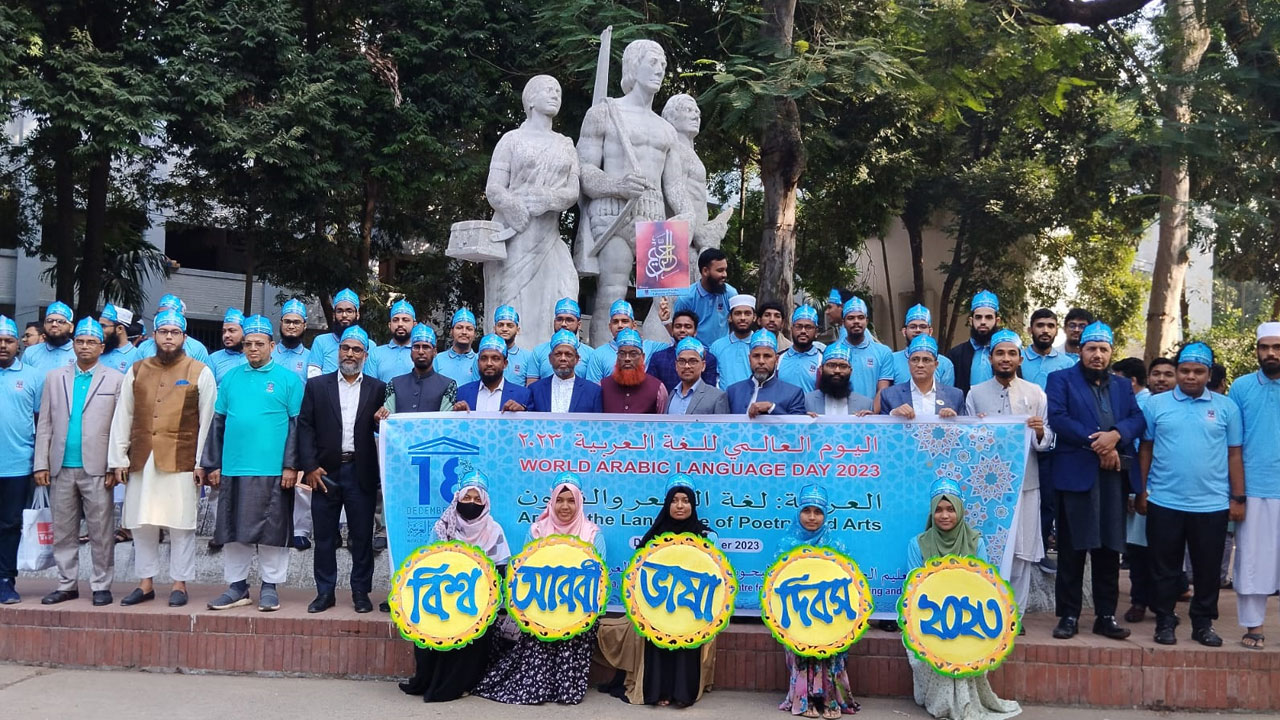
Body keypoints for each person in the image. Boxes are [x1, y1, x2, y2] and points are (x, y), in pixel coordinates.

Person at [108, 310, 217, 608]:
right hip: (142, 459)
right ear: (154, 336)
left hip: (182, 460)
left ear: (184, 337)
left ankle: (179, 583)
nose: (169, 337)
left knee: (181, 524)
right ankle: (145, 584)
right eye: (163, 331)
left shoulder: (200, 371)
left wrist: (201, 463)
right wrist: (118, 458)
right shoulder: (137, 370)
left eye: (175, 332)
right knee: (142, 523)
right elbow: (123, 416)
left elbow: (208, 421)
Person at [1137, 342, 1242, 647]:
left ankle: (1203, 623)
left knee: (1208, 569)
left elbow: (1235, 454)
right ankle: (1165, 620)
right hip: (1164, 501)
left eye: (1199, 371)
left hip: (1211, 504)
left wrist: (1238, 497)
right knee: (1164, 567)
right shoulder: (1156, 405)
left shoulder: (1226, 408)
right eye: (1185, 370)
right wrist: (1141, 491)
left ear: (1209, 374)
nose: (1191, 376)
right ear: (1177, 371)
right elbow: (1146, 450)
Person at [1046, 321, 1145, 640]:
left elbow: (1137, 419)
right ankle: (1069, 616)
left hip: (1112, 479)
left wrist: (1115, 436)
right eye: (1092, 349)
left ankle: (1105, 615)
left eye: (1103, 349)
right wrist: (1098, 443)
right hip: (1077, 475)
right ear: (1080, 350)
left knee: (1108, 549)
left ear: (1111, 352)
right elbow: (1058, 418)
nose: (1097, 355)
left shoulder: (1121, 385)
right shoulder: (1060, 379)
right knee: (1073, 550)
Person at [199, 316, 303, 613]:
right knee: (233, 530)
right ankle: (237, 586)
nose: (253, 349)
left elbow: (297, 426)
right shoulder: (230, 378)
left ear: (272, 345)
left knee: (273, 532)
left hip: (273, 470)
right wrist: (213, 464)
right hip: (233, 468)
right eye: (248, 344)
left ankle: (270, 586)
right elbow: (217, 424)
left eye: (259, 344)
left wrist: (290, 465)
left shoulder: (288, 380)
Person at [473, 473, 605, 705]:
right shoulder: (536, 532)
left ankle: (565, 689)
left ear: (580, 502)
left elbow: (599, 578)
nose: (565, 506)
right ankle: (537, 686)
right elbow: (522, 574)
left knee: (574, 631)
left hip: (579, 608)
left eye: (571, 500)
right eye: (560, 500)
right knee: (539, 629)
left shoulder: (592, 534)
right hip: (539, 607)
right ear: (552, 502)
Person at [906, 478, 1019, 720]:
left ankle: (964, 701)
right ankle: (939, 701)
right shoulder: (917, 544)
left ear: (960, 510)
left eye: (950, 509)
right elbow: (914, 590)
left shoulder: (975, 543)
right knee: (934, 646)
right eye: (938, 509)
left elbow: (985, 587)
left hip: (969, 616)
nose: (944, 515)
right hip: (930, 618)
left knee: (965, 643)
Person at [400, 470, 511, 702]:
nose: (471, 504)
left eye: (477, 499)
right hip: (443, 598)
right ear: (457, 499)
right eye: (467, 498)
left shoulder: (494, 531)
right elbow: (428, 563)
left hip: (479, 603)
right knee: (430, 626)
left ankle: (460, 684)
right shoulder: (443, 528)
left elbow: (501, 572)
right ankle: (428, 679)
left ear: (485, 502)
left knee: (475, 633)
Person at [33, 318, 122, 607]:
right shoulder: (55, 377)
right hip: (60, 465)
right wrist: (41, 464)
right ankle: (66, 583)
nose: (84, 346)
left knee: (100, 530)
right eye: (80, 341)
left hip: (97, 467)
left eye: (91, 342)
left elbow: (120, 426)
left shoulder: (115, 379)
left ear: (102, 346)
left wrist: (114, 464)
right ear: (73, 344)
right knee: (63, 530)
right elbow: (44, 422)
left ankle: (101, 584)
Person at [964, 329, 1053, 618]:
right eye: (1000, 353)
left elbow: (1045, 441)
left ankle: (1014, 614)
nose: (1005, 358)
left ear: (1019, 358)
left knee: (1021, 553)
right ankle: (987, 611)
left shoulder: (1035, 393)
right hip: (985, 488)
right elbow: (966, 443)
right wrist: (975, 429)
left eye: (1011, 353)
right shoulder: (975, 394)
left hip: (1025, 485)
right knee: (987, 548)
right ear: (990, 358)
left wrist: (1040, 431)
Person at [297, 326, 386, 614]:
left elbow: (381, 429)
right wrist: (309, 467)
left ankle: (361, 592)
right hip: (324, 473)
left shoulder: (377, 388)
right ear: (337, 352)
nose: (350, 354)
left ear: (366, 354)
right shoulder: (317, 386)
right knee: (324, 537)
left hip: (361, 472)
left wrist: (381, 420)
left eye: (356, 349)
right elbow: (305, 427)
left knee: (361, 537)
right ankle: (325, 593)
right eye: (345, 348)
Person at [631, 475, 717, 706]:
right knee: (659, 645)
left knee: (685, 646)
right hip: (658, 606)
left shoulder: (706, 537)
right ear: (667, 504)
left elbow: (717, 575)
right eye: (675, 500)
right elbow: (638, 574)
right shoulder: (654, 538)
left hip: (692, 606)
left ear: (693, 505)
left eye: (686, 500)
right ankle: (659, 691)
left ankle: (682, 693)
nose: (680, 506)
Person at [776, 484, 861, 719]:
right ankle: (805, 701)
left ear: (825, 515)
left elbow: (850, 586)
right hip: (797, 612)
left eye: (818, 512)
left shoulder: (837, 546)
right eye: (807, 511)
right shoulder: (787, 545)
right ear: (799, 512)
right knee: (802, 651)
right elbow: (776, 587)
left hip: (830, 611)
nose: (812, 517)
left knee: (830, 651)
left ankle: (831, 700)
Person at [1230, 323, 1280, 650]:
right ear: (1257, 351)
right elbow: (1231, 445)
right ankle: (1254, 628)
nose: (1271, 353)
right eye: (1264, 348)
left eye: (1276, 347)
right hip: (1255, 486)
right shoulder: (1241, 387)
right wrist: (1236, 493)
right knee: (1251, 560)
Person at [0, 315, 47, 604]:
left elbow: (43, 423)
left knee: (9, 525)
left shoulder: (32, 377)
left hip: (17, 465)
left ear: (19, 344)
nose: (3, 346)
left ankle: (5, 579)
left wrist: (39, 462)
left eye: (8, 341)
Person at [272, 298, 313, 551]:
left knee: (300, 481)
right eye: (287, 321)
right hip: (271, 424)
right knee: (270, 478)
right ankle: (272, 527)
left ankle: (300, 530)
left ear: (304, 326)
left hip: (300, 423)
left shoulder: (310, 358)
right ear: (280, 323)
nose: (291, 326)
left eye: (296, 322)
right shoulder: (269, 353)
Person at [879, 336, 964, 419]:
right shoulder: (889, 395)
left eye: (926, 360)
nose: (920, 365)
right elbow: (881, 429)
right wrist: (893, 415)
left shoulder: (955, 396)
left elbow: (964, 429)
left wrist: (954, 420)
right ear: (908, 363)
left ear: (936, 365)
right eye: (915, 359)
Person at [726, 330, 807, 417]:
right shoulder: (733, 392)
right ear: (749, 359)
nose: (761, 361)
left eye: (767, 356)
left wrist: (772, 408)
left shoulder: (793, 394)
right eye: (756, 356)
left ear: (776, 359)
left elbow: (798, 427)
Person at [381, 324, 458, 415]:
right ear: (411, 352)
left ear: (435, 352)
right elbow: (387, 421)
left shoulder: (448, 385)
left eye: (426, 347)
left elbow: (445, 422)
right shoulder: (394, 384)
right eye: (416, 347)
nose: (421, 352)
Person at [589, 300, 669, 381]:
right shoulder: (598, 355)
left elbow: (678, 347)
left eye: (625, 321)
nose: (620, 325)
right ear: (610, 326)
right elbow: (593, 389)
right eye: (615, 322)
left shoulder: (650, 347)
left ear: (634, 325)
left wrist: (666, 322)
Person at [672, 248, 737, 345]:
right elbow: (678, 330)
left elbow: (736, 324)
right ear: (705, 271)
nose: (724, 275)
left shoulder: (730, 293)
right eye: (720, 270)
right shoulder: (686, 298)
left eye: (725, 270)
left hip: (722, 351)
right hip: (694, 353)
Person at [453, 335, 533, 412]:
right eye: (484, 358)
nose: (489, 363)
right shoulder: (462, 393)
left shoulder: (522, 395)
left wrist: (521, 414)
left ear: (505, 364)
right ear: (478, 363)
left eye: (495, 359)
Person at [528, 330, 602, 413]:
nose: (563, 358)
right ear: (550, 359)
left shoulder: (593, 391)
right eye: (558, 354)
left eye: (568, 354)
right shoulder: (535, 389)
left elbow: (597, 423)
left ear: (577, 359)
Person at [836, 297, 893, 404]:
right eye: (851, 318)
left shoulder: (883, 352)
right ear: (843, 322)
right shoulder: (833, 351)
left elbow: (883, 390)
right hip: (840, 415)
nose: (856, 321)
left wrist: (872, 413)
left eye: (860, 317)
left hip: (871, 416)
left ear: (866, 321)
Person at [945, 290, 1001, 397]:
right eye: (978, 317)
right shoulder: (956, 355)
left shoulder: (1006, 354)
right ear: (971, 321)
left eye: (988, 317)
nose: (983, 322)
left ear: (997, 321)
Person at [647, 309, 720, 391]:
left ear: (695, 332)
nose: (682, 330)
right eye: (678, 326)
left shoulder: (708, 359)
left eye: (688, 327)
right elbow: (651, 389)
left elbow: (709, 392)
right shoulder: (658, 358)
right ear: (672, 330)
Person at [600, 329, 668, 414]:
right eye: (622, 354)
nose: (627, 358)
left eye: (633, 354)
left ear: (642, 357)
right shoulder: (602, 386)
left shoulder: (658, 389)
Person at [531, 298, 597, 382]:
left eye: (569, 320)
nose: (563, 324)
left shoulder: (591, 354)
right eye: (559, 319)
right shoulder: (538, 352)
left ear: (579, 324)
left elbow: (591, 389)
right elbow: (532, 389)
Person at [889, 305, 955, 387]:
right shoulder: (891, 360)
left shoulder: (945, 364)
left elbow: (947, 396)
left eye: (923, 327)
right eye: (913, 327)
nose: (918, 330)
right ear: (904, 331)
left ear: (930, 331)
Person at [135, 295, 211, 364]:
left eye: (175, 332)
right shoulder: (144, 348)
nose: (165, 316)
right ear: (154, 335)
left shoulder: (197, 349)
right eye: (161, 313)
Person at [804, 343, 874, 416]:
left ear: (850, 371)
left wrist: (869, 422)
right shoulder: (806, 402)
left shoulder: (865, 404)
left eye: (843, 366)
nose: (837, 370)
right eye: (831, 365)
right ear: (821, 369)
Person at [666, 338, 730, 414]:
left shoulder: (717, 397)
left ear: (703, 365)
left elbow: (722, 425)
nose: (687, 366)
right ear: (676, 365)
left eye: (693, 361)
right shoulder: (672, 395)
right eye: (682, 361)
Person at [308, 288, 361, 377]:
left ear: (357, 315)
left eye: (349, 311)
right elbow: (313, 378)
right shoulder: (321, 341)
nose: (344, 315)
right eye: (340, 311)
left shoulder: (369, 345)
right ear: (334, 315)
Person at [1021, 309, 1078, 389]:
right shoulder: (1018, 359)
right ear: (1030, 330)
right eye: (1040, 325)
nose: (1045, 331)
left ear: (1057, 331)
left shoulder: (1067, 363)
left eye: (1050, 326)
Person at [709, 294, 757, 388]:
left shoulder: (761, 345)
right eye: (738, 313)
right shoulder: (717, 346)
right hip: (724, 400)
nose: (743, 318)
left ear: (754, 317)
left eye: (747, 313)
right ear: (730, 317)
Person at [367, 299, 417, 382]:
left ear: (414, 325)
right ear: (389, 325)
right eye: (395, 320)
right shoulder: (376, 353)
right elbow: (370, 388)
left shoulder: (422, 354)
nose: (400, 324)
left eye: (405, 320)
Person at [21, 301, 76, 375]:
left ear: (71, 327)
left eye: (60, 321)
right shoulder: (31, 352)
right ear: (44, 325)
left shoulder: (80, 353)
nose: (54, 324)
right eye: (50, 321)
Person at [777, 305, 824, 392]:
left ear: (816, 332)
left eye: (808, 327)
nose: (803, 331)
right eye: (798, 326)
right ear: (792, 329)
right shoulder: (779, 359)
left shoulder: (823, 360)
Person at [490, 305, 537, 386]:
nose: (505, 329)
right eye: (500, 325)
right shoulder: (484, 357)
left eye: (510, 325)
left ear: (517, 330)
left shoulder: (528, 357)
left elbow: (530, 389)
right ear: (494, 328)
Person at [435, 308, 480, 387]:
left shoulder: (480, 361)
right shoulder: (438, 359)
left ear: (475, 334)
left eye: (469, 329)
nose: (464, 332)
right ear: (451, 332)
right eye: (459, 328)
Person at [207, 308, 247, 383]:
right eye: (224, 331)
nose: (226, 335)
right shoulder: (213, 359)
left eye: (232, 331)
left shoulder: (254, 357)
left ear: (244, 332)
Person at [99, 304, 139, 374]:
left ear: (120, 329)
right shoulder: (98, 351)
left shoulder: (137, 356)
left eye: (103, 326)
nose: (99, 330)